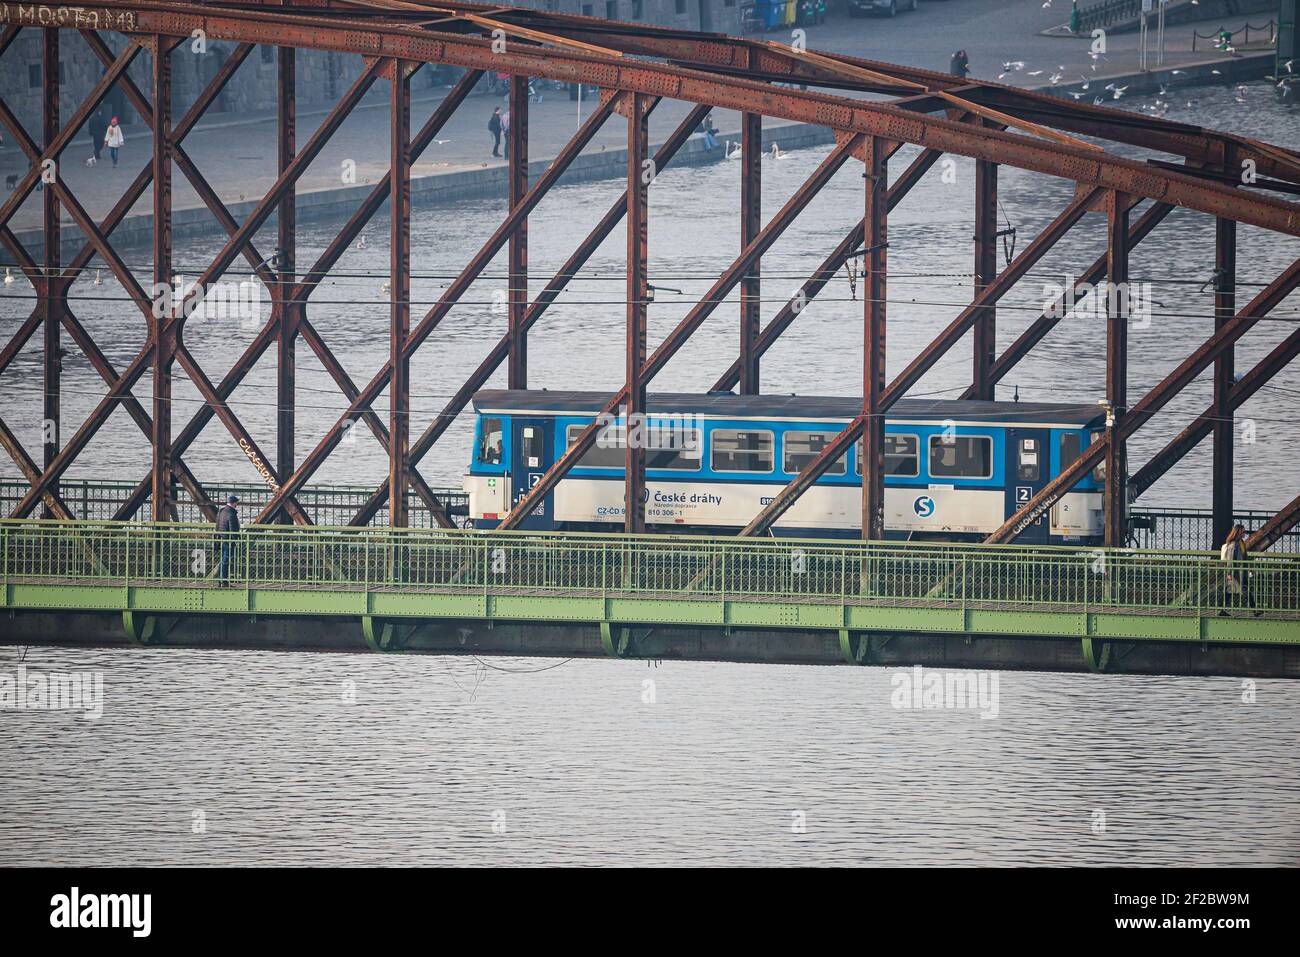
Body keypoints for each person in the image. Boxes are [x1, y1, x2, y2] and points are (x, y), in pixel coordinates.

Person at [1219, 523, 1259, 616]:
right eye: (1243, 531)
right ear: (1238, 533)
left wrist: (1249, 569)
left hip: (1240, 572)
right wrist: (1229, 574)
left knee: (1229, 592)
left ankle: (1220, 609)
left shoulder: (1241, 543)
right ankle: (1255, 610)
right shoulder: (1233, 545)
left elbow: (1244, 558)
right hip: (1236, 573)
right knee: (1243, 591)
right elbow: (1230, 560)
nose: (1245, 533)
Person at [216, 493, 241, 587]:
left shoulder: (221, 511)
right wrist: (236, 541)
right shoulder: (231, 513)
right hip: (228, 541)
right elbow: (233, 529)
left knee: (223, 560)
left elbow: (217, 525)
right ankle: (224, 581)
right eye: (236, 503)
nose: (236, 505)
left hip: (222, 538)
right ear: (234, 503)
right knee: (225, 561)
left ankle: (220, 580)